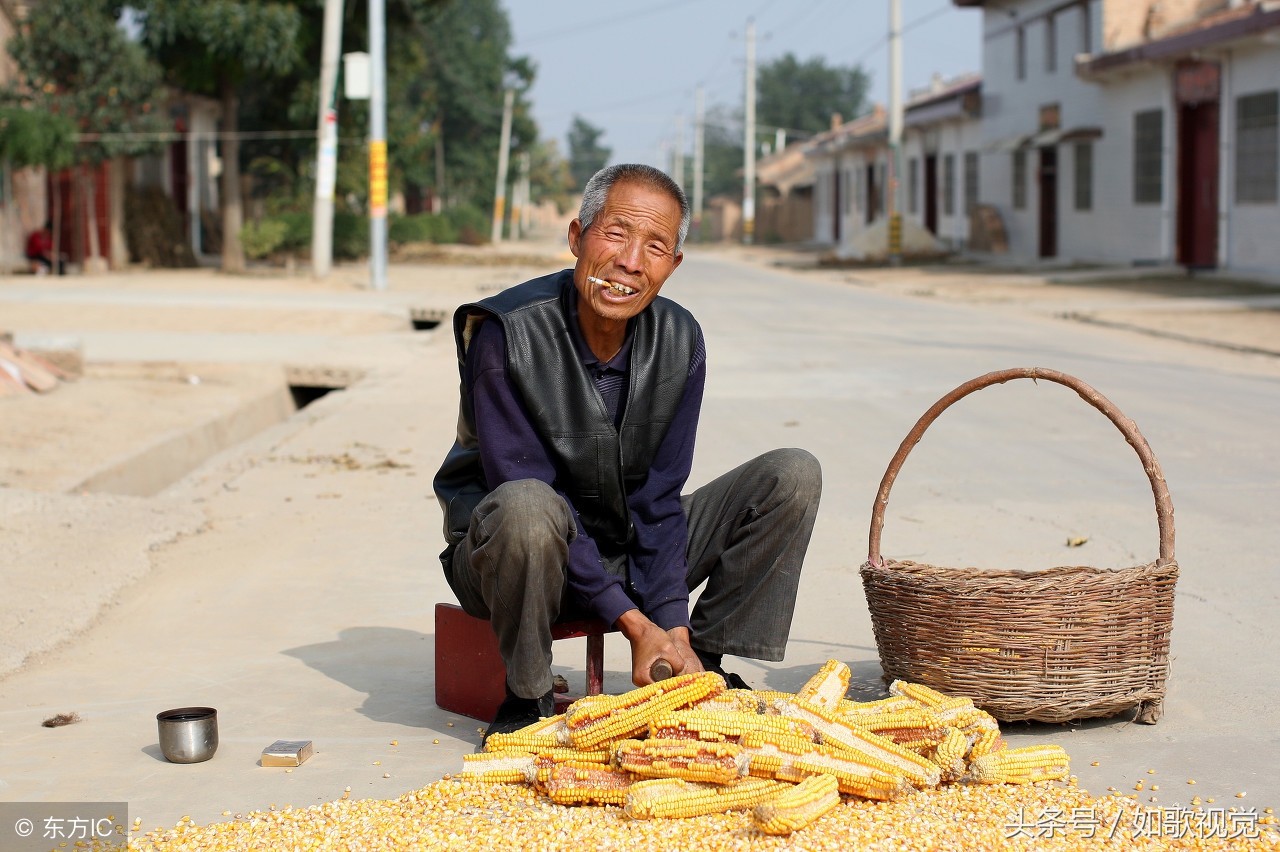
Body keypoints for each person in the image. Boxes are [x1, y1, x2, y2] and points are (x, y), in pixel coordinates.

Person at [433, 163, 821, 740]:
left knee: (791, 474)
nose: (631, 262)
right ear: (576, 237)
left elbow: (658, 499)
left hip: (623, 549)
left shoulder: (680, 339)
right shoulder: (508, 334)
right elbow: (527, 493)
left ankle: (699, 666)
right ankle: (527, 693)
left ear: (674, 265)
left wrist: (672, 626)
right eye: (615, 234)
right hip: (517, 559)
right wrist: (636, 624)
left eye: (656, 246)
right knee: (528, 508)